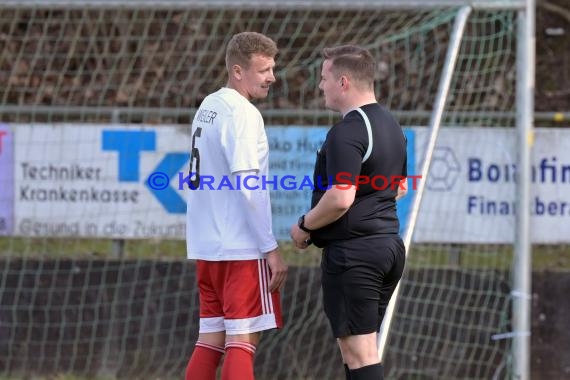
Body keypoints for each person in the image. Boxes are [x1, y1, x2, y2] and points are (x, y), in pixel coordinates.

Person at [290, 45, 408, 380]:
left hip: (355, 255)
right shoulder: (392, 126)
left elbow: (341, 197)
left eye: (324, 78)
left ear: (343, 82)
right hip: (387, 249)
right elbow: (399, 187)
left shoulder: (349, 130)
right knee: (362, 353)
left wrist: (305, 226)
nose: (319, 86)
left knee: (360, 356)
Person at [185, 32, 288, 380]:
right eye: (264, 70)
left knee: (210, 339)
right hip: (240, 248)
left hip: (206, 246)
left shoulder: (209, 105)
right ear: (238, 71)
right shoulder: (243, 114)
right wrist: (270, 247)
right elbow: (249, 186)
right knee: (242, 341)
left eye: (273, 69)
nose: (272, 77)